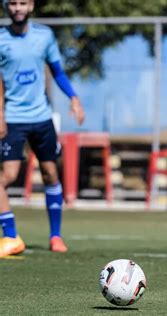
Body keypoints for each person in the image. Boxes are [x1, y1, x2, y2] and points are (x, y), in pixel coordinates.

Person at [0, 0, 85, 257]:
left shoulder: (44, 36)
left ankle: (55, 236)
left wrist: (74, 98)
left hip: (41, 117)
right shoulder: (1, 39)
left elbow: (58, 72)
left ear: (31, 6)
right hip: (13, 117)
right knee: (7, 176)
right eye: (13, 3)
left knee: (50, 173)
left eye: (22, 3)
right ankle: (11, 236)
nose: (17, 8)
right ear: (7, 7)